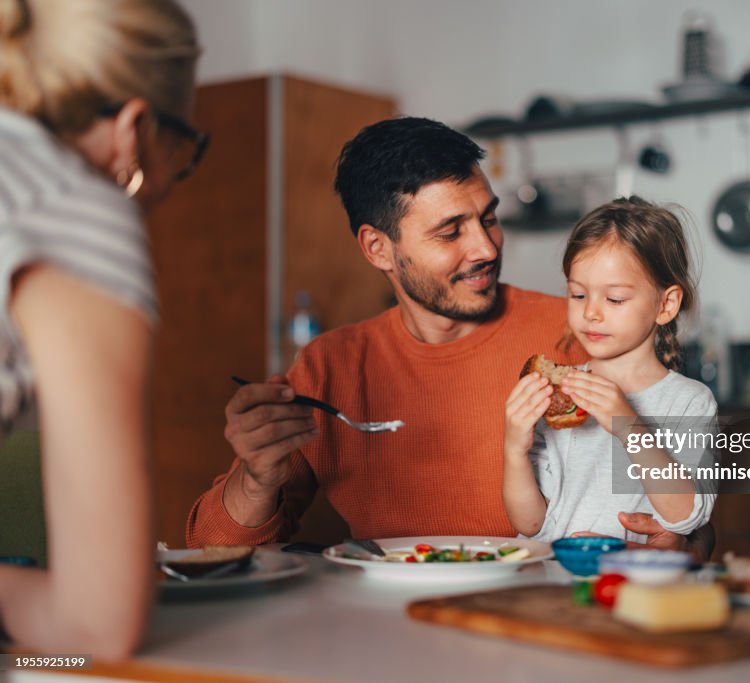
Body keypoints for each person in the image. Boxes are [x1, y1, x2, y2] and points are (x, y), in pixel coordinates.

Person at [187, 118, 714, 559]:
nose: (485, 247)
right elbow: (210, 550)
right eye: (450, 232)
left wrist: (686, 541)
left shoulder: (586, 334)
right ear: (378, 248)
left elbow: (706, 504)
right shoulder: (330, 368)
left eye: (488, 218)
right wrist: (257, 479)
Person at [0, 0, 201, 657]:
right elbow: (96, 628)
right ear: (134, 128)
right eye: (184, 146)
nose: (174, 178)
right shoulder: (74, 204)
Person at [504, 197, 718, 543]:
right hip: (552, 583)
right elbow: (530, 524)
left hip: (635, 588)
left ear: (666, 305)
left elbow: (685, 516)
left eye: (614, 299)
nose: (591, 313)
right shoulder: (559, 398)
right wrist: (513, 449)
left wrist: (629, 426)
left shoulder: (689, 402)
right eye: (578, 295)